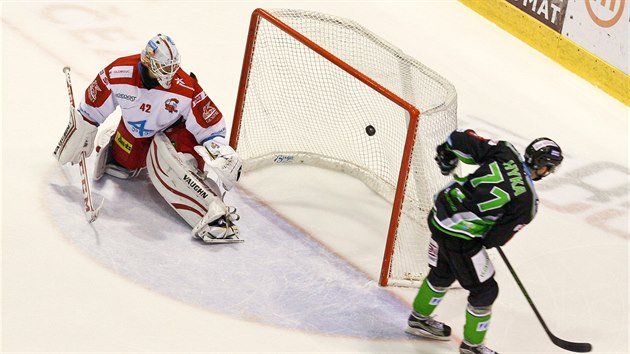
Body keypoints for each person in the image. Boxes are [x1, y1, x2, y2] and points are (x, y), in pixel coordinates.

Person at [54, 34, 243, 243]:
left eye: (172, 66)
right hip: (138, 131)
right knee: (124, 165)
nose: (169, 73)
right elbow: (90, 108)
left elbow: (210, 124)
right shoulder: (118, 72)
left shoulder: (185, 87)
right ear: (146, 61)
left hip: (177, 134)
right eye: (163, 67)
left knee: (170, 164)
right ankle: (117, 141)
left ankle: (213, 214)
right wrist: (82, 130)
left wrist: (218, 149)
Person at [405, 129, 563, 354]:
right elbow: (496, 237)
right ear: (543, 167)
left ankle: (419, 318)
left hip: (439, 215)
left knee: (443, 272)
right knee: (485, 290)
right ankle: (472, 346)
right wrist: (481, 237)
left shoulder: (505, 151)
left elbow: (457, 139)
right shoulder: (527, 202)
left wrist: (446, 155)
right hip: (460, 235)